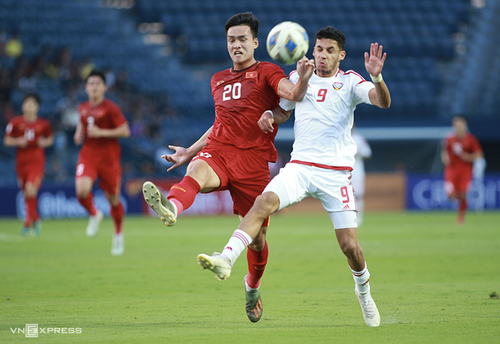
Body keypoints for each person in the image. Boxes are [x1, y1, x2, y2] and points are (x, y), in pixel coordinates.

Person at [197, 27, 391, 327]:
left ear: (341, 54)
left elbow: (382, 102)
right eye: (318, 49)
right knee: (262, 204)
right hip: (300, 167)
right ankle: (226, 258)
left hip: (336, 175)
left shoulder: (351, 81)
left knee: (350, 247)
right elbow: (283, 111)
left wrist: (377, 77)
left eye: (329, 50)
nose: (322, 55)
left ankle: (364, 293)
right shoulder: (301, 78)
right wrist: (269, 116)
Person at [142, 12, 314, 322]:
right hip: (220, 152)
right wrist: (189, 152)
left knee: (258, 240)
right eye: (231, 40)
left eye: (242, 39)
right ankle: (173, 209)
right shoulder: (217, 79)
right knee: (195, 169)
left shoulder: (267, 72)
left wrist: (301, 76)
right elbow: (219, 123)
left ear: (256, 43)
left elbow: (293, 96)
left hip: (253, 164)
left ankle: (252, 285)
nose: (236, 45)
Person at [74, 70, 130, 255]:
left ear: (104, 87)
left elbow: (125, 131)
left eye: (98, 83)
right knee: (82, 191)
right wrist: (78, 133)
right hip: (88, 155)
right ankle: (94, 213)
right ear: (86, 87)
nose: (94, 87)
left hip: (109, 158)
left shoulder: (111, 108)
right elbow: (83, 124)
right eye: (91, 83)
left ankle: (118, 234)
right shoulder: (82, 107)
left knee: (113, 200)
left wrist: (102, 133)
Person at [4, 93, 54, 236]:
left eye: (32, 104)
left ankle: (27, 223)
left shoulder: (43, 124)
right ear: (23, 106)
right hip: (21, 162)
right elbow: (7, 141)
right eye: (27, 104)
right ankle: (36, 219)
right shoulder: (15, 122)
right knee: (26, 192)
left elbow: (50, 139)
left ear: (37, 107)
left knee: (30, 189)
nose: (29, 107)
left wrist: (44, 142)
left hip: (37, 162)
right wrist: (17, 141)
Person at [441, 116, 483, 224]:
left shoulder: (471, 139)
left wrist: (468, 157)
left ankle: (461, 217)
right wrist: (445, 158)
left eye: (460, 124)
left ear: (465, 125)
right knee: (451, 194)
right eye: (456, 124)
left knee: (464, 193)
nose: (458, 127)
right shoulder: (449, 139)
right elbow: (444, 152)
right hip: (451, 169)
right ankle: (459, 201)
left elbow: (479, 154)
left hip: (465, 169)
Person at [351, 125, 372, 226]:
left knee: (357, 195)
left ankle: (358, 219)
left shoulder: (358, 139)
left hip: (356, 170)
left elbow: (368, 153)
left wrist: (357, 152)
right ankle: (348, 218)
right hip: (342, 170)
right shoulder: (339, 136)